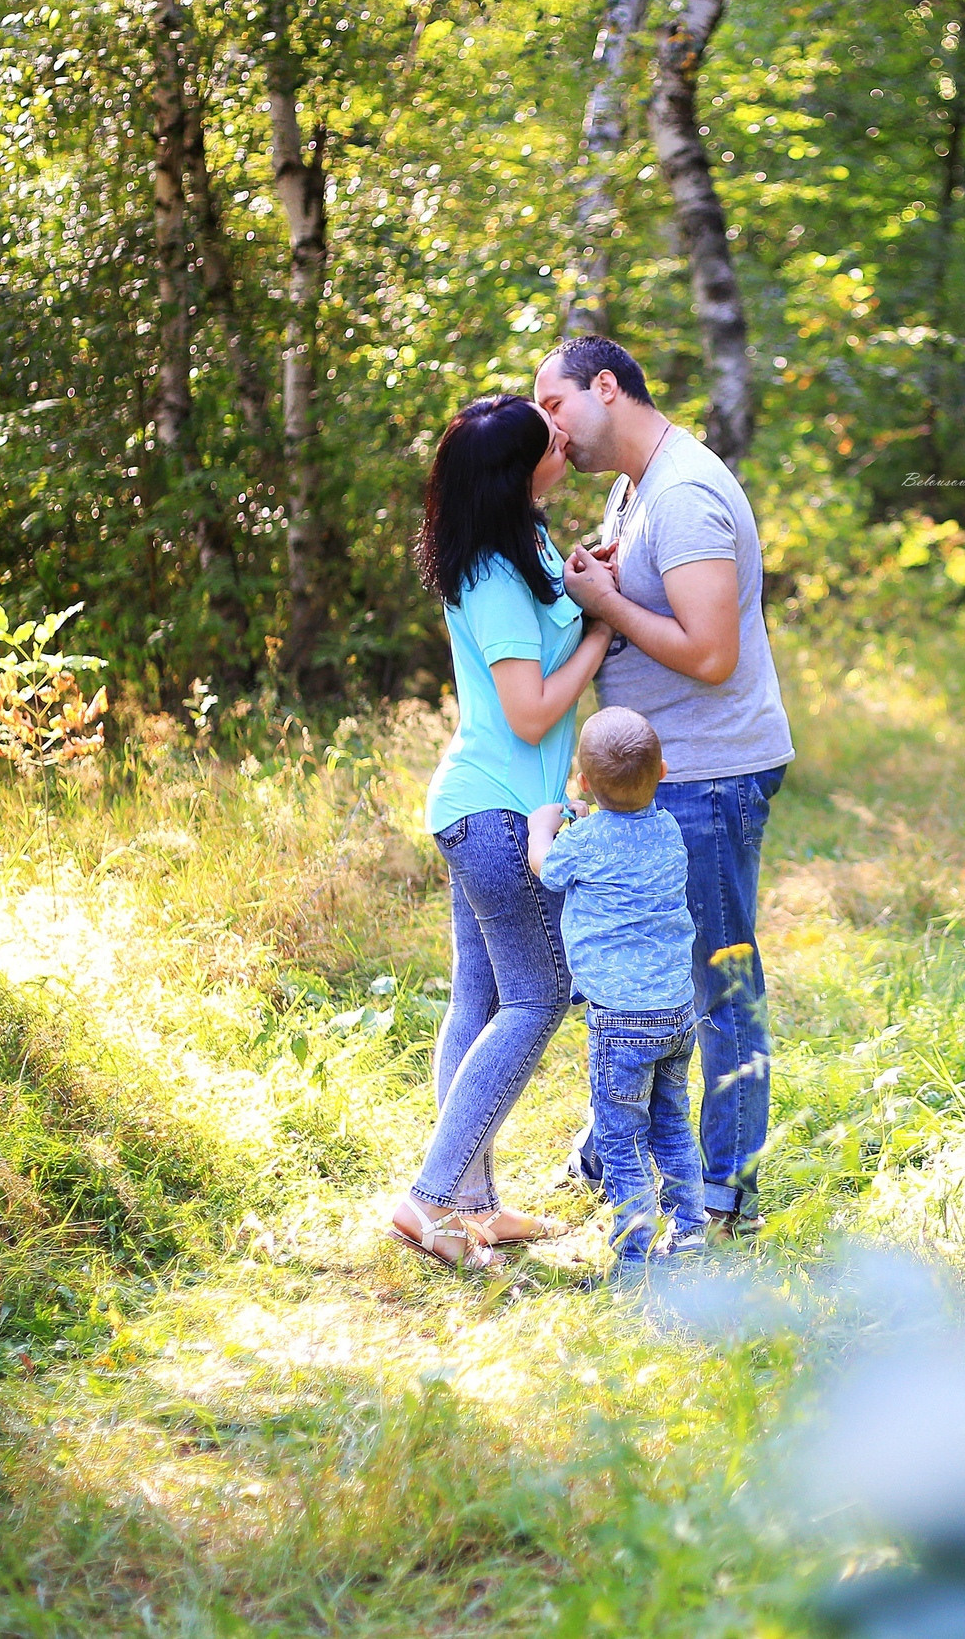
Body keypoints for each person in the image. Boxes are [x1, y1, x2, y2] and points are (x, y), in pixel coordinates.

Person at [535, 335, 795, 1233]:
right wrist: (604, 581)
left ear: (607, 387)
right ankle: (611, 1155)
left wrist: (606, 605)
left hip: (710, 771)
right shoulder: (634, 488)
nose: (550, 428)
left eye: (556, 404)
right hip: (667, 771)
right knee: (655, 974)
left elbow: (714, 655)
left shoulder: (682, 494)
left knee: (719, 982)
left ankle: (725, 1192)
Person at [386, 394, 611, 1273]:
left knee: (479, 1000)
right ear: (518, 473)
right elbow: (530, 713)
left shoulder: (529, 544)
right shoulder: (491, 576)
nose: (565, 443)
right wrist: (600, 630)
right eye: (550, 442)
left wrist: (593, 581)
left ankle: (474, 1206)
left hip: (490, 805)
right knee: (539, 994)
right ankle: (430, 1200)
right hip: (496, 811)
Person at [527, 707, 705, 1273]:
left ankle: (634, 1253)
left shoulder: (584, 842)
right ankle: (692, 1230)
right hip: (676, 1010)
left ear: (583, 784)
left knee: (622, 1135)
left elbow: (546, 869)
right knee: (672, 1120)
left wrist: (543, 825)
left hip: (620, 1021)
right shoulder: (669, 828)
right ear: (664, 772)